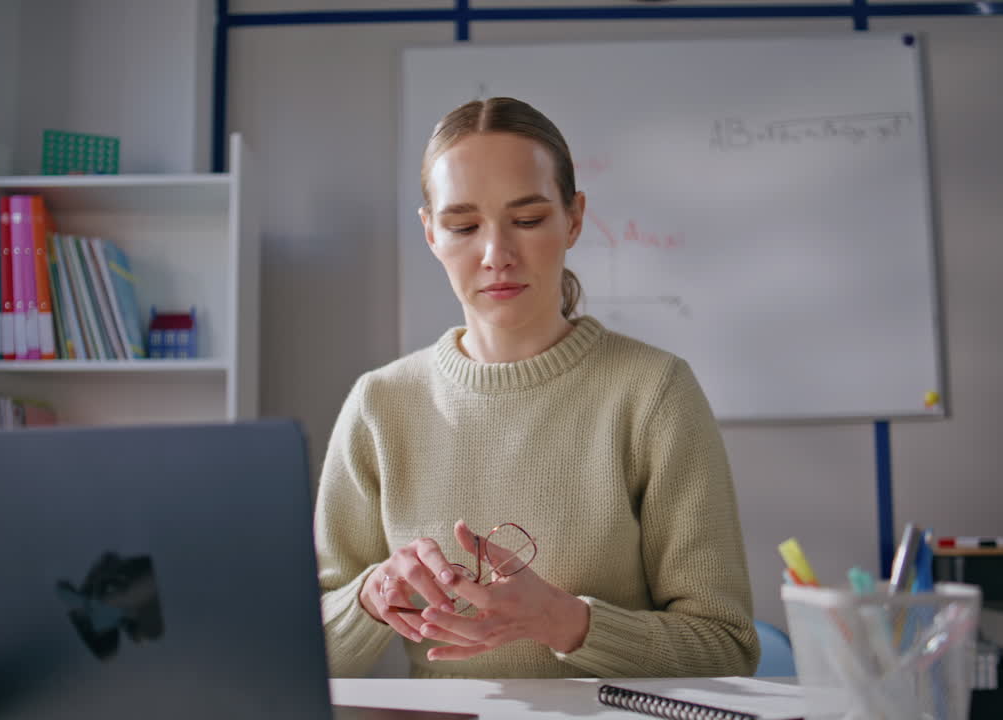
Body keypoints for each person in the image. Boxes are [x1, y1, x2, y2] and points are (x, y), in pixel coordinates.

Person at [314, 97, 759, 679]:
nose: (497, 255)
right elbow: (297, 649)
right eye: (463, 226)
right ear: (429, 233)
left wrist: (565, 622)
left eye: (527, 220)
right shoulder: (380, 406)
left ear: (574, 218)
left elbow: (726, 645)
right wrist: (371, 597)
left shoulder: (654, 393)